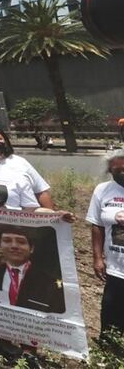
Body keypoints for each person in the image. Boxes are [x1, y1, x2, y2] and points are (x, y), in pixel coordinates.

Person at [88, 149, 124, 349]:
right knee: (111, 310)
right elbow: (97, 225)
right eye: (116, 170)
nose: (121, 173)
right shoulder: (103, 190)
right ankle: (109, 350)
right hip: (116, 267)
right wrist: (97, 258)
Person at [0, 225, 65, 313]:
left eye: (21, 242)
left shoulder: (48, 280)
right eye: (7, 240)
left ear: (31, 248)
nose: (14, 246)